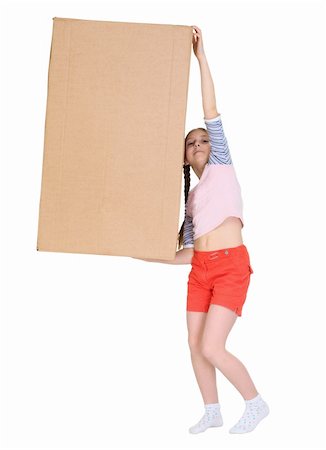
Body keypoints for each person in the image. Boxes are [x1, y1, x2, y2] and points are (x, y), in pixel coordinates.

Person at [133, 25, 269, 435]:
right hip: (201, 270)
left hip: (231, 267)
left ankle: (256, 402)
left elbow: (211, 109)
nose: (197, 145)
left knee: (213, 346)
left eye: (203, 140)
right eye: (190, 143)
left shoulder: (223, 166)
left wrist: (201, 57)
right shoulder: (190, 202)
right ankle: (212, 410)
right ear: (183, 157)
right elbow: (187, 254)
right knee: (194, 345)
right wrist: (135, 250)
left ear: (215, 147)